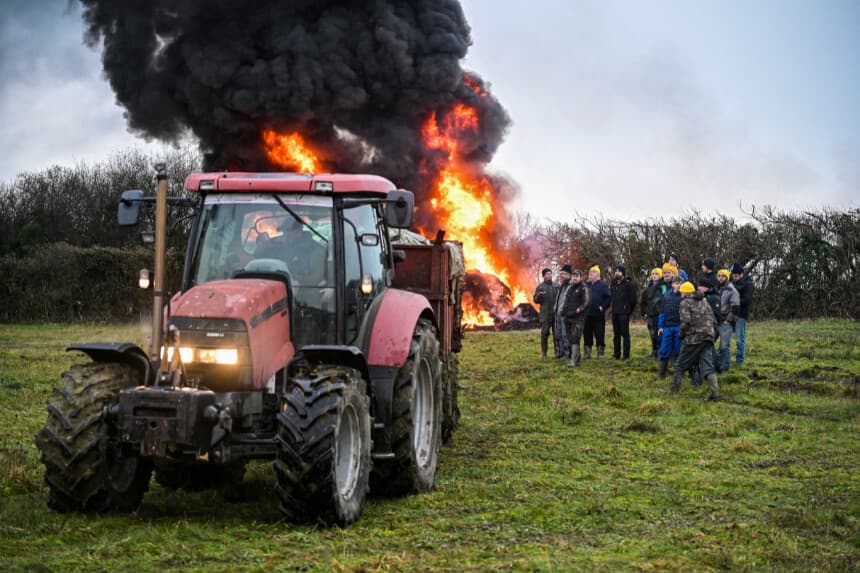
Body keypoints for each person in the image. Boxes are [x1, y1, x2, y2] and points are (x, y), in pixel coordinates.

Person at [671, 281, 719, 400]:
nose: (680, 293)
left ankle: (673, 393)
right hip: (708, 336)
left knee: (679, 365)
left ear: (684, 292)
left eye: (681, 291)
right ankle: (714, 394)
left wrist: (681, 335)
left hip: (694, 338)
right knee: (707, 367)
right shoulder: (705, 301)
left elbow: (685, 322)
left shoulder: (685, 302)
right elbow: (714, 321)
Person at [561, 269, 591, 368]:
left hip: (578, 319)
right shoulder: (570, 288)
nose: (574, 278)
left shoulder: (584, 288)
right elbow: (566, 302)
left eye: (576, 276)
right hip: (568, 317)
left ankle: (573, 362)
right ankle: (577, 359)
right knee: (571, 339)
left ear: (580, 277)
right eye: (573, 276)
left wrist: (580, 309)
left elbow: (586, 302)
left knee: (575, 338)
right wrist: (563, 312)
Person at [610, 265, 638, 360]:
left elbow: (633, 300)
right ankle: (616, 354)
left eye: (619, 271)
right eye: (615, 271)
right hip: (615, 312)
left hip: (624, 313)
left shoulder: (628, 284)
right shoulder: (613, 284)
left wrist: (628, 310)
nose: (616, 273)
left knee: (625, 335)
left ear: (623, 273)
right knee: (616, 334)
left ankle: (626, 355)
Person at [657, 276, 683, 378]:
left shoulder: (684, 297)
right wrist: (660, 326)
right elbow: (662, 313)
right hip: (667, 327)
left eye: (680, 283)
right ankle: (662, 374)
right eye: (676, 283)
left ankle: (678, 374)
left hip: (679, 327)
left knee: (678, 350)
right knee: (664, 350)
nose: (678, 285)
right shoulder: (666, 297)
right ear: (672, 285)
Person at [584, 265, 611, 359]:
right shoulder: (586, 285)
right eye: (590, 272)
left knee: (599, 334)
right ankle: (587, 353)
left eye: (593, 272)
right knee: (587, 334)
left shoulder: (603, 285)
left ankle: (600, 353)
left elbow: (608, 298)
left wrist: (602, 307)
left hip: (598, 315)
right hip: (587, 315)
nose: (590, 273)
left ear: (598, 274)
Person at [716, 269, 740, 373]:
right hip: (717, 321)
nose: (720, 278)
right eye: (719, 276)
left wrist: (728, 320)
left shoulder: (731, 290)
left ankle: (724, 368)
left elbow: (735, 307)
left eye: (723, 276)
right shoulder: (717, 289)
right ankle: (718, 365)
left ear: (727, 277)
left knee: (724, 346)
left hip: (726, 322)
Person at [532, 268, 559, 360]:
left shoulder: (557, 285)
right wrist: (539, 295)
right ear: (543, 276)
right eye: (548, 274)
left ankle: (557, 352)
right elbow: (535, 300)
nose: (550, 275)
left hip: (555, 314)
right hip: (545, 314)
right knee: (544, 334)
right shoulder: (540, 287)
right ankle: (544, 353)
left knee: (557, 334)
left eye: (551, 274)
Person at [731, 262, 754, 366]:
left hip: (741, 314)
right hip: (731, 313)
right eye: (733, 276)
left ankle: (739, 361)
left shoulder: (748, 283)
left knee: (740, 339)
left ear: (741, 274)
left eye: (736, 276)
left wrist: (735, 301)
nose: (734, 278)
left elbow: (747, 299)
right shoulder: (733, 283)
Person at [641, 267, 667, 358]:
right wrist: (643, 312)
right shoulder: (648, 288)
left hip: (659, 314)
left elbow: (665, 298)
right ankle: (654, 351)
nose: (654, 276)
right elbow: (643, 301)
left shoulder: (663, 286)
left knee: (659, 334)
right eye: (653, 274)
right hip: (650, 315)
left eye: (656, 274)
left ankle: (660, 352)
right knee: (652, 333)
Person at [553, 265, 574, 359]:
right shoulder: (562, 286)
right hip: (558, 314)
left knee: (565, 335)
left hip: (565, 315)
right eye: (561, 274)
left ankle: (567, 353)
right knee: (558, 334)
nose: (562, 276)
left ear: (569, 275)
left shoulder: (572, 286)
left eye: (565, 274)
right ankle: (560, 352)